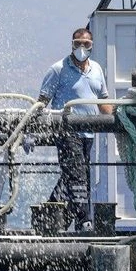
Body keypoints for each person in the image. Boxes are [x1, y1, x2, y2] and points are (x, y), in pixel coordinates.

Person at [38, 27, 113, 231]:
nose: (81, 48)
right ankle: (84, 220)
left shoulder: (97, 69)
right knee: (78, 176)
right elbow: (41, 102)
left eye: (86, 44)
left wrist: (117, 121)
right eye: (77, 44)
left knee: (74, 176)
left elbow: (103, 100)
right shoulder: (58, 69)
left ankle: (48, 219)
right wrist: (30, 130)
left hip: (88, 133)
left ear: (91, 46)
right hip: (66, 131)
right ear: (71, 45)